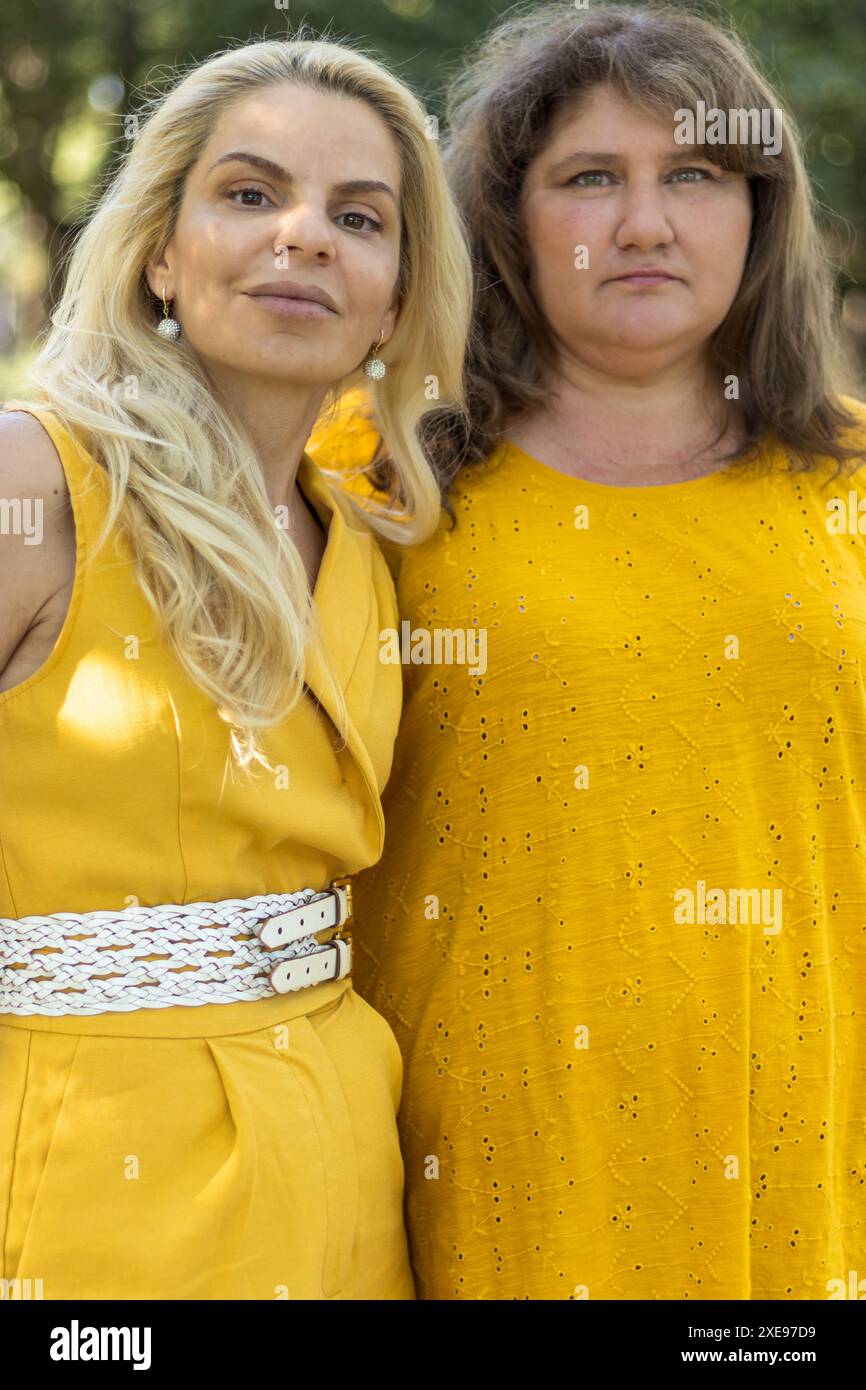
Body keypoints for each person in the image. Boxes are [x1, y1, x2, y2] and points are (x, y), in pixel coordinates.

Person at [307, 3, 866, 1299]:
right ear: (503, 220)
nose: (643, 224)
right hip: (474, 1155)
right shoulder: (370, 468)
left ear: (757, 212)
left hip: (801, 1148)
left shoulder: (850, 474)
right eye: (587, 178)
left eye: (692, 175)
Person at [0, 34, 471, 1300]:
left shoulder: (370, 539)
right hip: (90, 1173)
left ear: (392, 292)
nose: (305, 235)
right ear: (159, 248)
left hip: (343, 1160)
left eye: (357, 217)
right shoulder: (34, 482)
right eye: (250, 194)